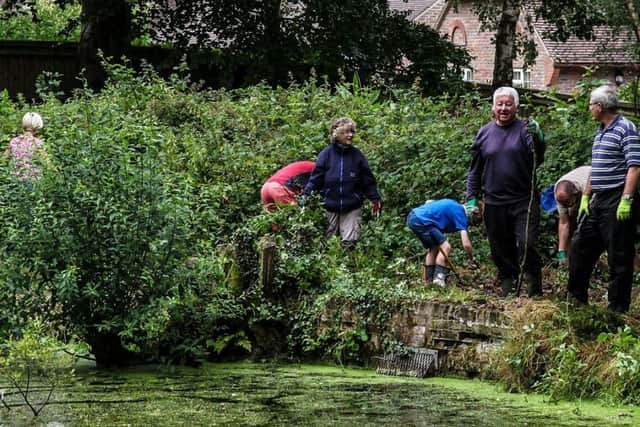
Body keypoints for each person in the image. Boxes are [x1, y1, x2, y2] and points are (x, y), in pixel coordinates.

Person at [466, 87, 546, 297]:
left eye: (508, 104)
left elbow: (539, 157)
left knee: (526, 242)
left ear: (516, 107)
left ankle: (534, 287)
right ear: (493, 107)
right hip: (494, 202)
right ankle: (508, 283)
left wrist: (538, 138)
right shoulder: (484, 133)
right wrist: (471, 198)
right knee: (499, 247)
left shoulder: (524, 129)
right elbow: (474, 170)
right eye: (500, 104)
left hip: (523, 200)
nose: (503, 108)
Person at [568, 85, 640, 314]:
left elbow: (634, 166)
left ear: (599, 107)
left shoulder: (626, 128)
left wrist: (626, 199)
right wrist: (586, 197)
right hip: (598, 200)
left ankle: (617, 309)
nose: (589, 108)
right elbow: (596, 167)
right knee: (580, 247)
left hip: (616, 198)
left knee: (619, 254)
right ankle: (576, 302)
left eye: (590, 104)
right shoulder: (601, 131)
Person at [300, 117, 381, 249]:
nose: (350, 135)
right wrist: (306, 194)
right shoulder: (326, 155)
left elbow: (368, 181)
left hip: (352, 206)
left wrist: (375, 199)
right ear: (336, 134)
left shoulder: (357, 156)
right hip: (329, 205)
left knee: (349, 244)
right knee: (327, 244)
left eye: (352, 132)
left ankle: (350, 267)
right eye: (346, 132)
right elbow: (316, 178)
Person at [407, 199, 476, 287]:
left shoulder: (453, 204)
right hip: (422, 220)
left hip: (413, 216)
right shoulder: (461, 213)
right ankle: (438, 279)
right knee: (446, 246)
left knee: (434, 248)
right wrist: (472, 258)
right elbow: (466, 244)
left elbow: (428, 201)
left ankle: (428, 282)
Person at [554, 166, 591, 263]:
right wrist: (561, 251)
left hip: (594, 186)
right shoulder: (559, 194)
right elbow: (563, 223)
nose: (566, 206)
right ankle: (569, 262)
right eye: (564, 205)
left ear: (575, 194)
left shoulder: (583, 185)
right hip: (576, 197)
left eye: (568, 204)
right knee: (571, 224)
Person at [6, 112, 46, 182]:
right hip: (33, 181)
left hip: (16, 180)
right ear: (37, 127)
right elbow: (45, 162)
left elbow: (3, 159)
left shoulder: (14, 141)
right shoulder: (37, 143)